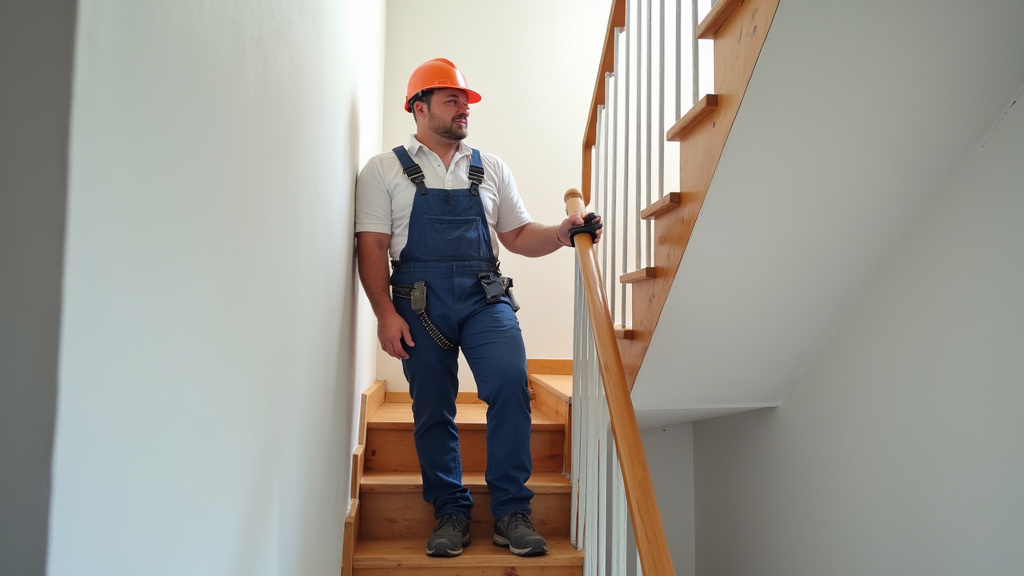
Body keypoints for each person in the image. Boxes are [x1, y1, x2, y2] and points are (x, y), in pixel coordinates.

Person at [354, 58, 602, 558]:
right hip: (417, 302)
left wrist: (559, 233)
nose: (464, 107)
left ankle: (512, 510)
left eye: (465, 100)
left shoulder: (489, 167)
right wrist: (384, 312)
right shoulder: (383, 169)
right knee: (432, 407)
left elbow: (515, 236)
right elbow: (373, 246)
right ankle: (450, 510)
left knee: (511, 386)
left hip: (484, 296)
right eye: (452, 99)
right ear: (419, 108)